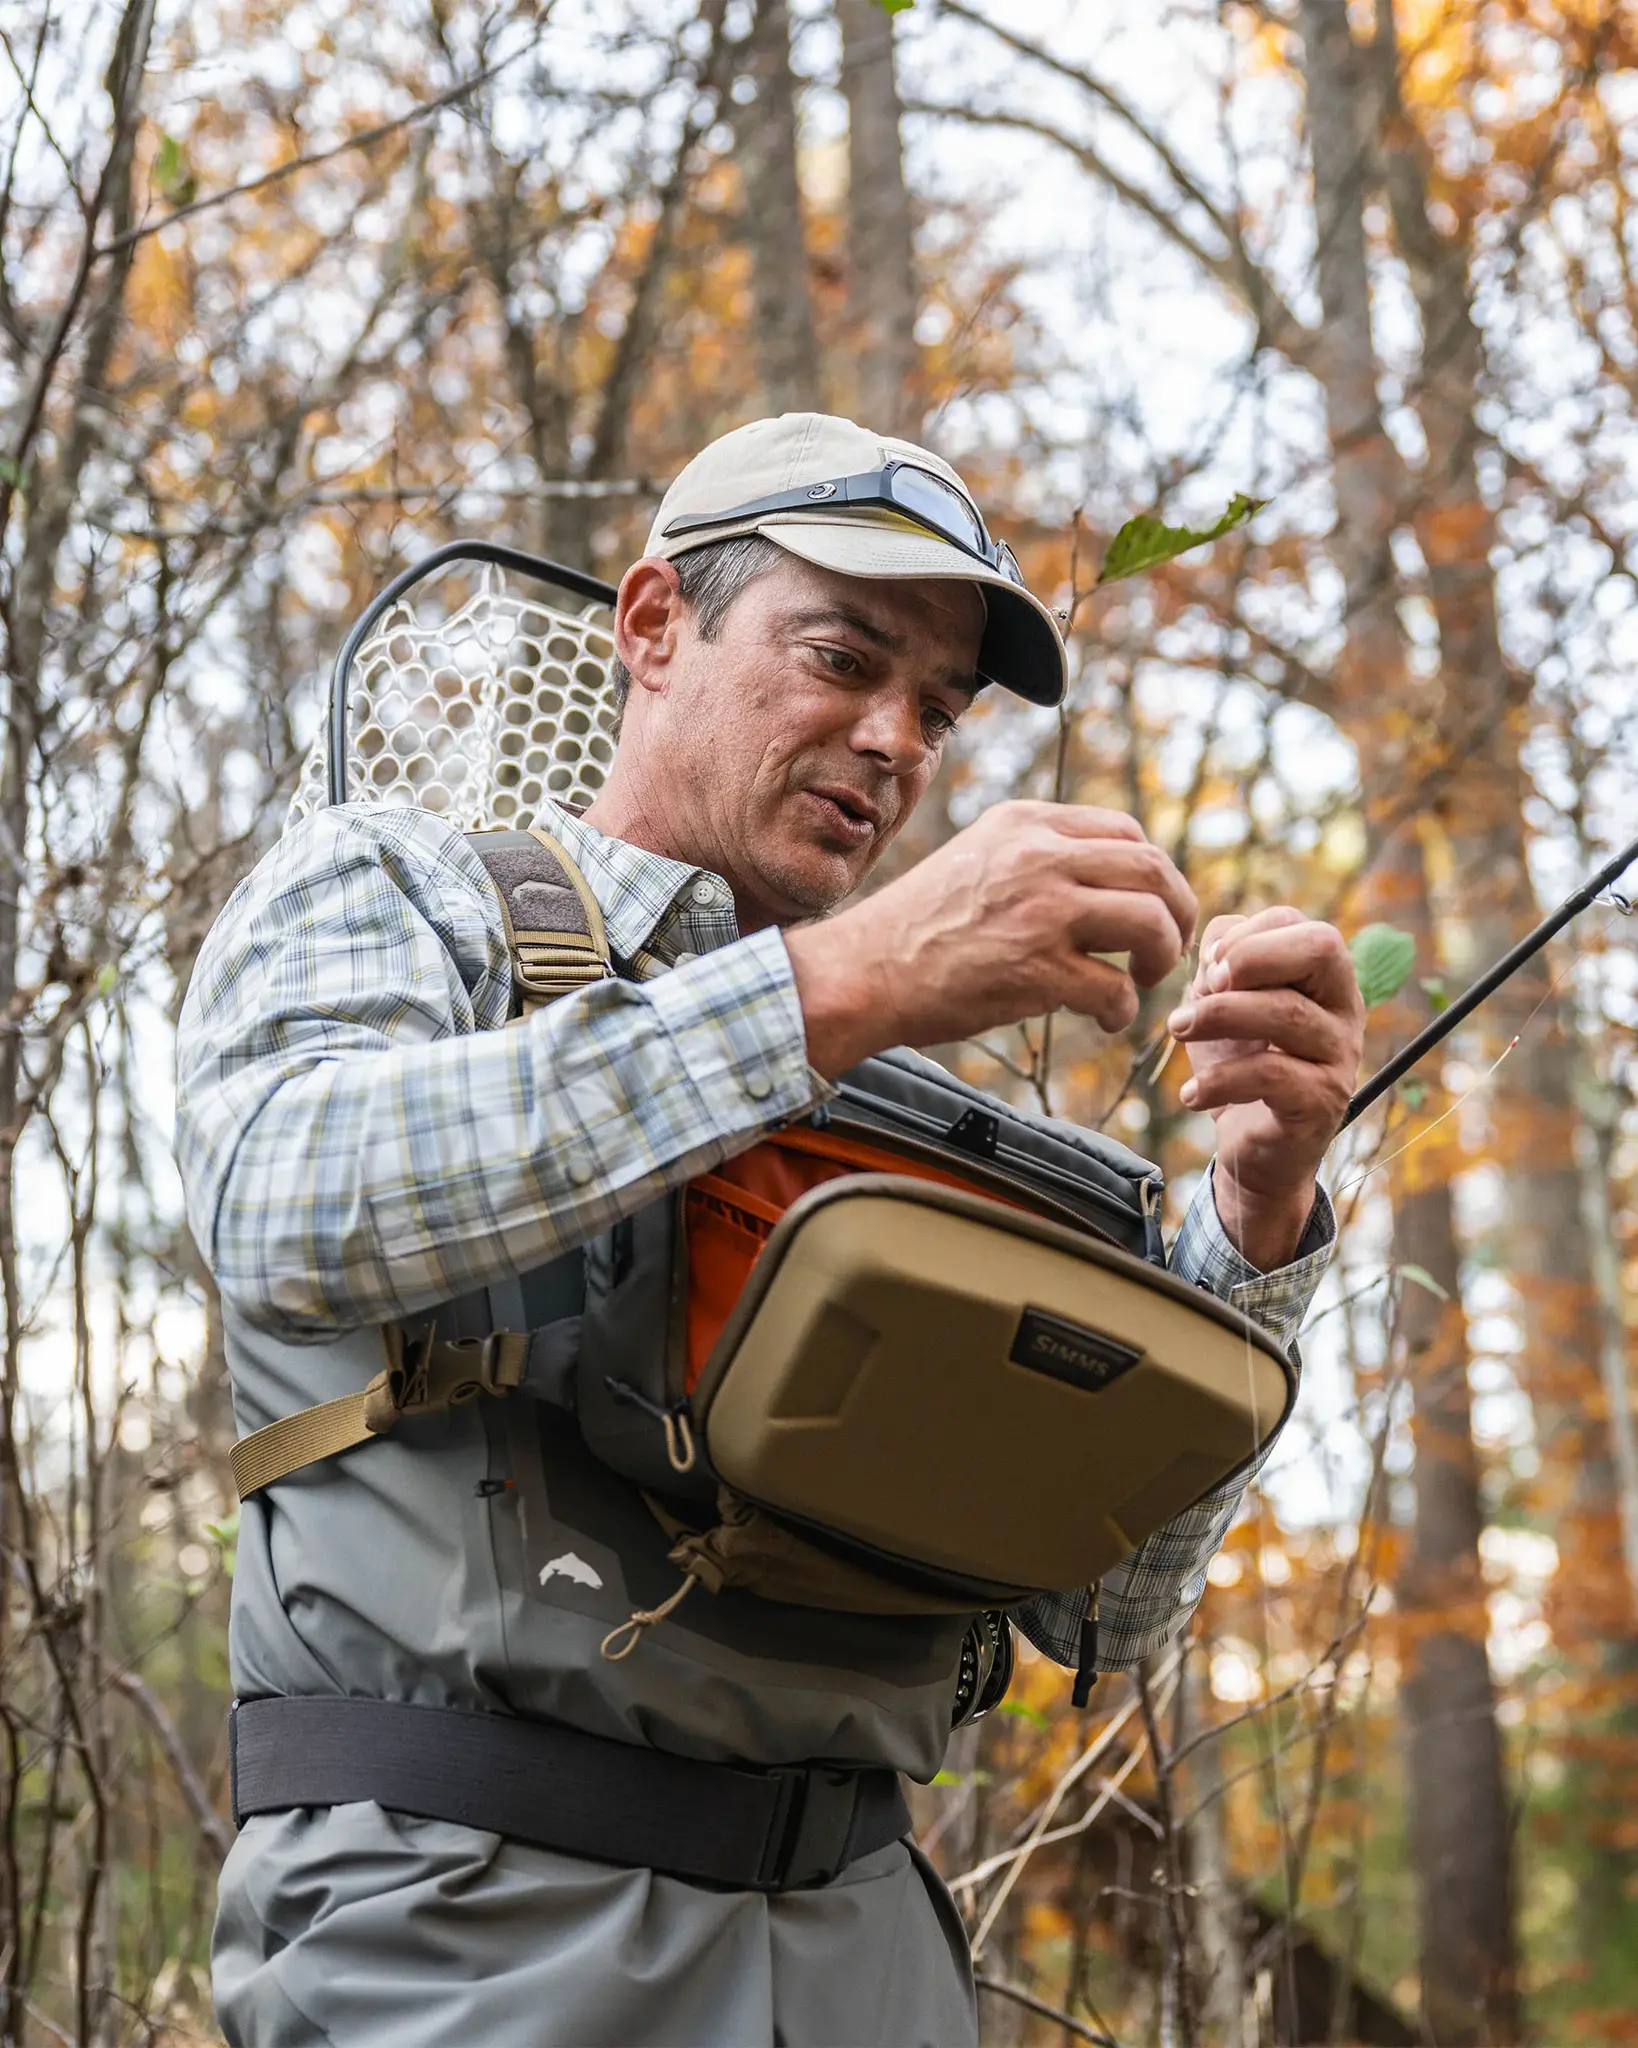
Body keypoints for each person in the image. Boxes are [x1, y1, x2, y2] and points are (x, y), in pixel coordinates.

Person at [176, 412, 1364, 2047]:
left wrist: (1255, 1214)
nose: (894, 740)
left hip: (861, 1947)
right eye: (841, 657)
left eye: (935, 710)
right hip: (454, 1931)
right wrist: (850, 984)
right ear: (654, 627)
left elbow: (1094, 1612)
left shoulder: (922, 1117)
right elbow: (281, 1198)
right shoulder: (401, 891)